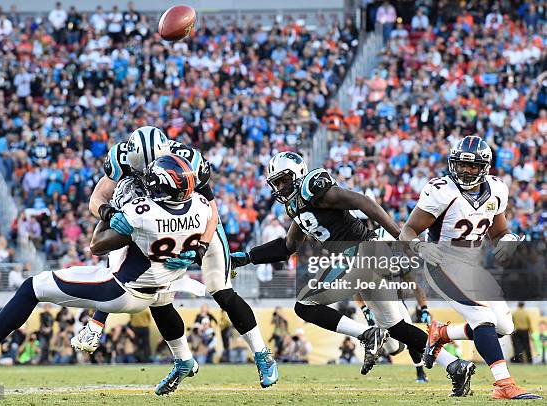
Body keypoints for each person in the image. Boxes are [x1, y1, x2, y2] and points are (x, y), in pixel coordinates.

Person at [0, 155, 210, 397]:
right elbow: (209, 217)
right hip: (160, 285)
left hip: (122, 290)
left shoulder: (143, 213)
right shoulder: (200, 207)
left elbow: (96, 245)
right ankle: (179, 357)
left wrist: (111, 211)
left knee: (32, 287)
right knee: (160, 300)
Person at [231, 151, 475, 396]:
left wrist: (401, 237)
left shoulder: (314, 189)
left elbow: (364, 202)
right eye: (276, 182)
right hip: (367, 257)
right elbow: (288, 247)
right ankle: (455, 365)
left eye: (283, 180)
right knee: (396, 331)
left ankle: (367, 334)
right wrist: (248, 257)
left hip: (361, 251)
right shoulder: (297, 206)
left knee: (305, 304)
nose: (279, 187)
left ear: (297, 175)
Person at [74, 126, 278, 388]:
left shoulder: (189, 160)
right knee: (158, 297)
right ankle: (183, 360)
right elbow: (97, 197)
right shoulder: (121, 158)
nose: (148, 177)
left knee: (219, 288)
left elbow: (212, 211)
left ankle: (262, 355)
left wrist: (200, 247)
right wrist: (108, 214)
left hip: (198, 224)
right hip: (160, 227)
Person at [399, 136, 541, 400]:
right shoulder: (441, 190)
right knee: (482, 317)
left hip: (472, 266)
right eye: (462, 165)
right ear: (453, 164)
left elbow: (500, 232)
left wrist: (508, 242)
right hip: (442, 263)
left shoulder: (497, 189)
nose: (467, 170)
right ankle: (504, 384)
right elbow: (407, 230)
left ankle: (442, 333)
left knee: (504, 327)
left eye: (474, 166)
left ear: (484, 167)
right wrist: (418, 247)